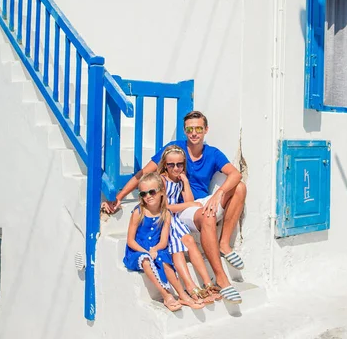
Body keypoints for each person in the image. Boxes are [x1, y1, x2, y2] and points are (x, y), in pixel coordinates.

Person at [105, 110, 247, 303]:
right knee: (206, 216)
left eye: (198, 128)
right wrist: (120, 196)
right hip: (187, 209)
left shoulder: (212, 153)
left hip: (203, 201)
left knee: (239, 187)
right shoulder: (175, 151)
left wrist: (218, 195)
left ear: (206, 130)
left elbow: (235, 174)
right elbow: (144, 173)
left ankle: (224, 244)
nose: (194, 133)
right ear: (184, 130)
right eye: (190, 129)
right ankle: (220, 279)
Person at [122, 172, 204, 311]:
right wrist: (146, 251)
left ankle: (182, 294)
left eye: (152, 192)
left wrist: (155, 249)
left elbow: (164, 241)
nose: (148, 196)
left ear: (161, 192)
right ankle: (166, 295)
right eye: (143, 194)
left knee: (165, 260)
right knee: (146, 260)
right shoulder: (139, 212)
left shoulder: (165, 213)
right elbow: (130, 241)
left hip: (157, 248)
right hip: (137, 251)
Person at [157, 145, 223, 304]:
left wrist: (185, 182)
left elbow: (189, 200)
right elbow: (163, 207)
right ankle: (191, 287)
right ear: (165, 165)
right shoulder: (163, 181)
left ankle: (207, 284)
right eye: (171, 165)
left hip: (176, 218)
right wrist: (189, 206)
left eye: (179, 164)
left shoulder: (180, 179)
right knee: (178, 250)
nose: (175, 168)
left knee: (190, 241)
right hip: (165, 219)